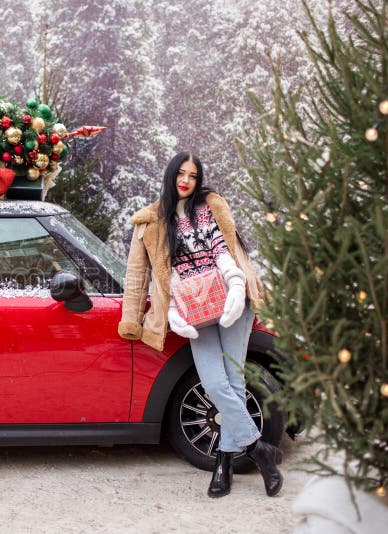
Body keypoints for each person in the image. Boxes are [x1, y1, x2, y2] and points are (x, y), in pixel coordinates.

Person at [117, 152, 283, 498]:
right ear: (170, 175)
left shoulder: (208, 206)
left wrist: (237, 283)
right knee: (214, 382)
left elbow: (226, 249)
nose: (186, 181)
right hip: (192, 308)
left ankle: (223, 463)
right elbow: (138, 275)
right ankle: (260, 450)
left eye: (193, 175)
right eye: (181, 173)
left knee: (233, 380)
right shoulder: (151, 221)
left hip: (231, 298)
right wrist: (136, 317)